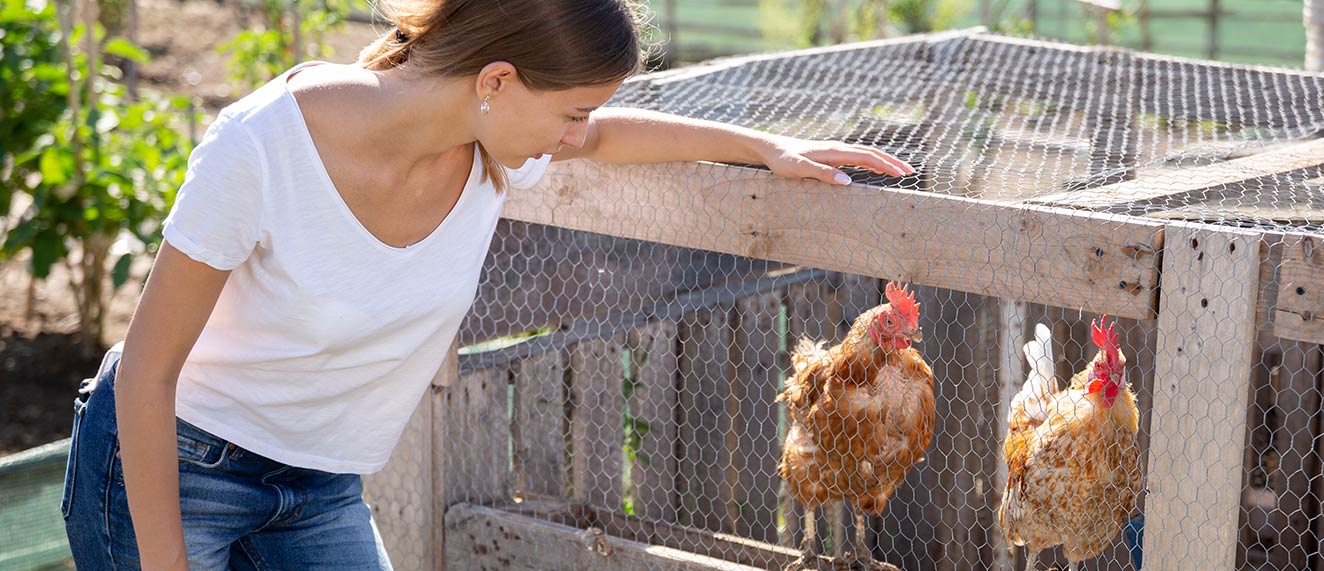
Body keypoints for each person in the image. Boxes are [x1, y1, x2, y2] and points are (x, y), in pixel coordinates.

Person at [60, 0, 915, 569]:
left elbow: (612, 136)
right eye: (571, 110)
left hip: (318, 485)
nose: (578, 134)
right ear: (496, 81)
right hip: (174, 463)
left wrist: (765, 148)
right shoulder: (260, 149)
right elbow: (147, 371)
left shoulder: (492, 154)